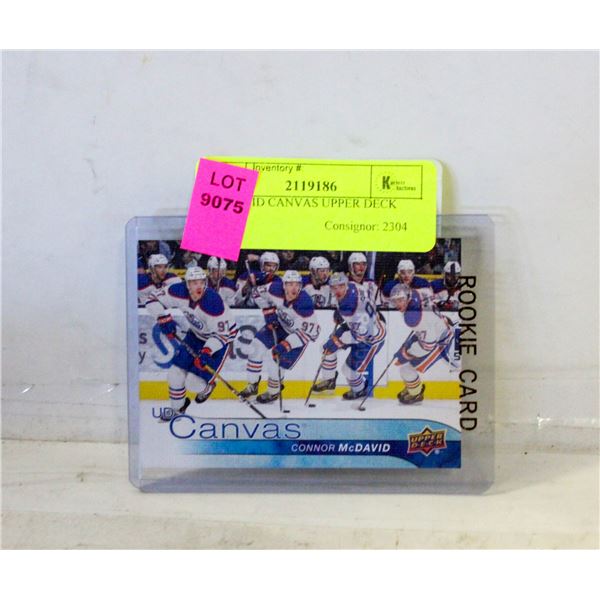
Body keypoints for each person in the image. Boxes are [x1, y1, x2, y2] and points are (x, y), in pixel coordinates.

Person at [146, 267, 238, 418]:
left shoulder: (212, 302)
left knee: (193, 383)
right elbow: (152, 299)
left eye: (201, 282)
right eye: (194, 283)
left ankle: (207, 388)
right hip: (195, 336)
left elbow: (222, 335)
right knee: (174, 374)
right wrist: (161, 317)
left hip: (219, 341)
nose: (199, 286)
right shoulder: (178, 291)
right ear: (187, 284)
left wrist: (207, 351)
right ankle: (177, 409)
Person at [239, 270, 320, 404]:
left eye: (297, 284)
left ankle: (273, 392)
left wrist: (285, 345)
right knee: (256, 347)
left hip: (297, 336)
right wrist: (268, 312)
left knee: (274, 360)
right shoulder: (274, 288)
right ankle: (252, 385)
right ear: (284, 285)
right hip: (279, 326)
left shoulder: (304, 303)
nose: (294, 288)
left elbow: (310, 333)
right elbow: (256, 293)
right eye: (290, 284)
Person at [318, 272, 386, 400]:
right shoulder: (353, 287)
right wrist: (340, 312)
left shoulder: (352, 307)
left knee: (348, 370)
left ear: (346, 285)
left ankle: (360, 390)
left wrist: (340, 340)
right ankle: (329, 379)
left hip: (371, 338)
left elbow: (361, 334)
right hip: (359, 325)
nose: (337, 290)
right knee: (326, 348)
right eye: (334, 287)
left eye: (340, 286)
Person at [388, 283, 456, 404]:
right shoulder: (417, 292)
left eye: (400, 300)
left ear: (407, 296)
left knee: (406, 369)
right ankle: (414, 387)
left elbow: (428, 345)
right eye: (395, 301)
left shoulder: (412, 318)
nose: (398, 304)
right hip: (437, 326)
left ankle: (416, 394)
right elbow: (430, 295)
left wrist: (406, 353)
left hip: (440, 342)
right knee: (406, 362)